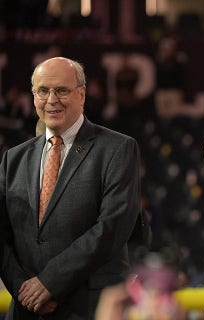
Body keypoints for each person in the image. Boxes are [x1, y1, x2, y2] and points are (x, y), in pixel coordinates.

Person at [0, 57, 141, 319]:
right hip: (25, 309)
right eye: (43, 91)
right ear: (33, 97)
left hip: (87, 308)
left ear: (82, 94)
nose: (52, 99)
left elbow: (112, 227)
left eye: (62, 90)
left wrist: (50, 283)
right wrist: (23, 290)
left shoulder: (118, 149)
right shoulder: (13, 159)